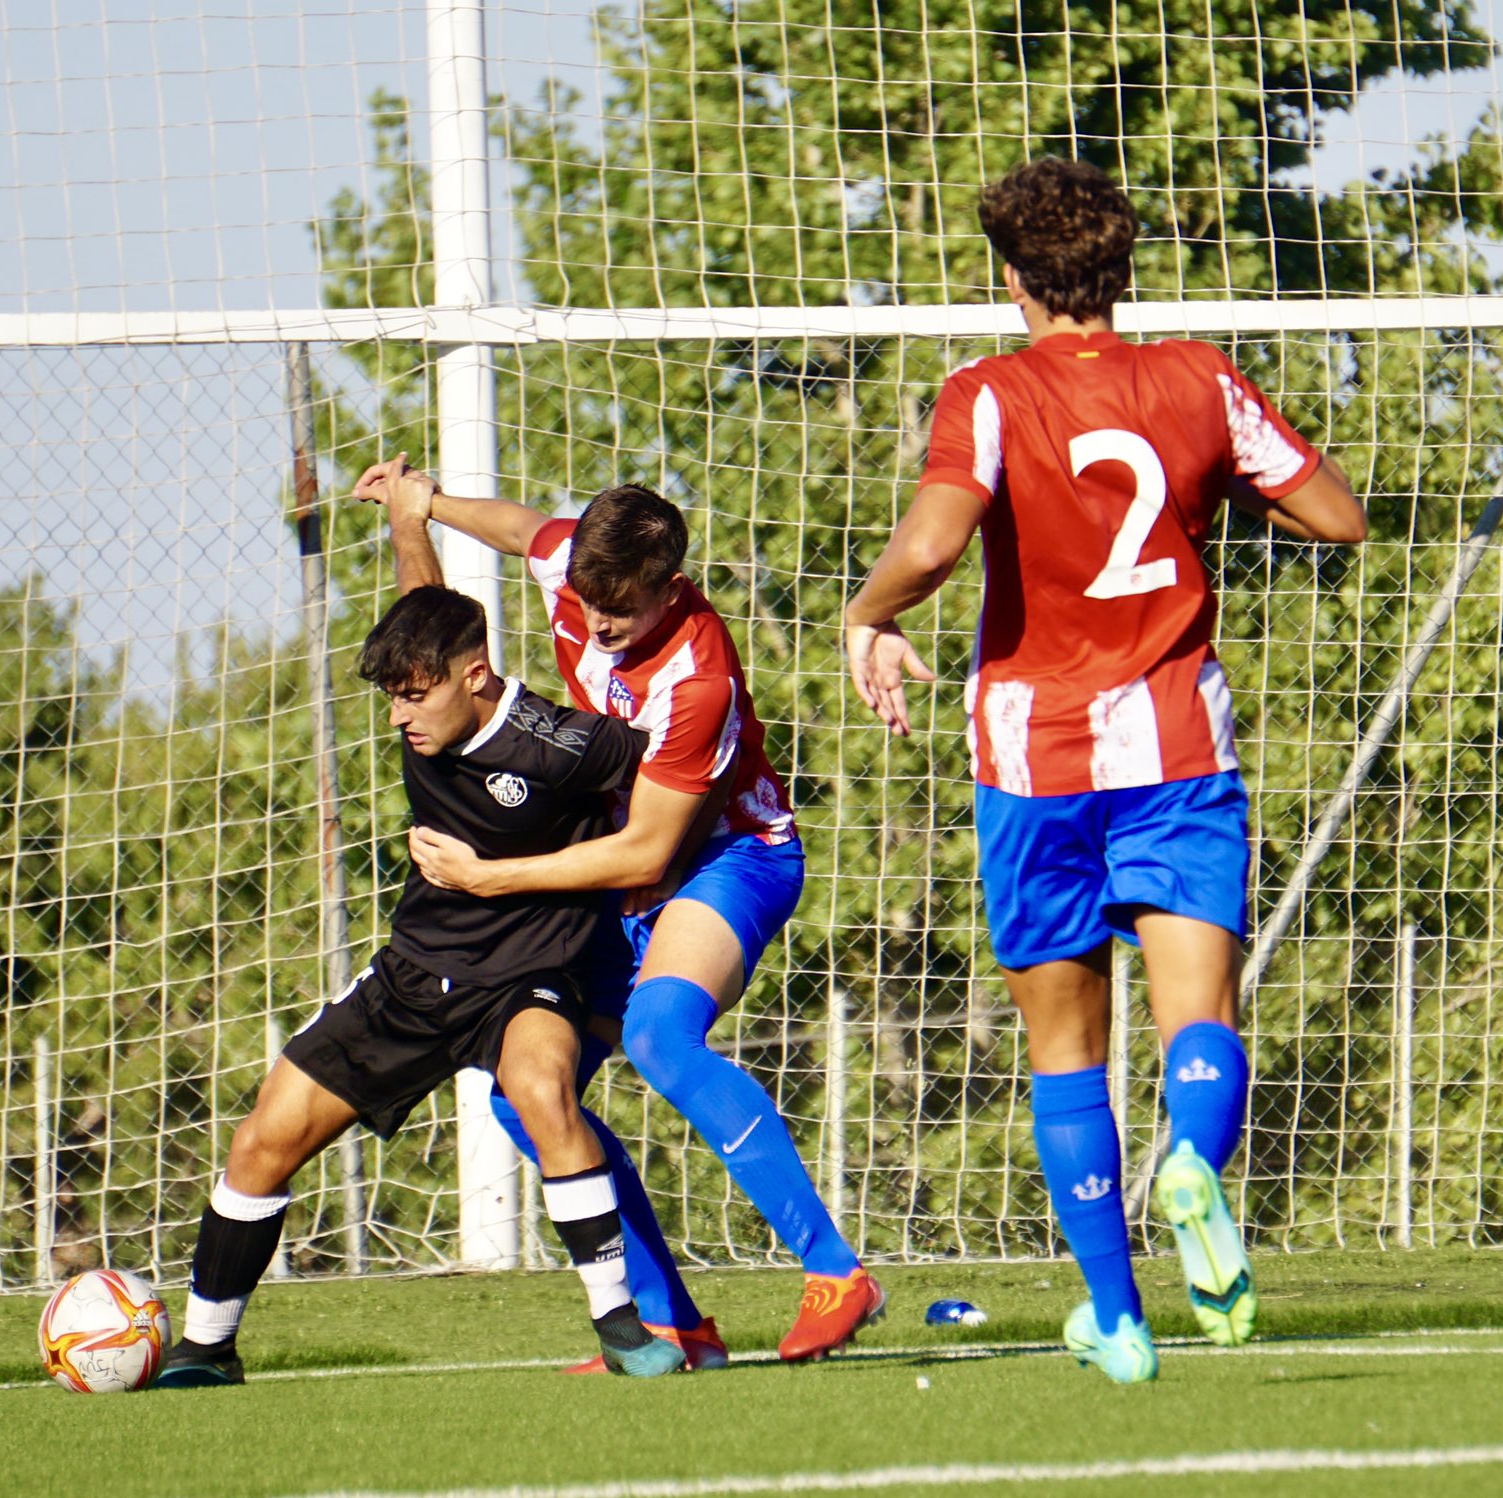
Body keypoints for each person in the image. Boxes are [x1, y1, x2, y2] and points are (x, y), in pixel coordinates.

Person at [842, 157, 1366, 1384]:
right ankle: (1190, 1156)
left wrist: (864, 614)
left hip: (1033, 764)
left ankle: (1116, 1320)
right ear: (1119, 273)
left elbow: (929, 543)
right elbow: (1336, 515)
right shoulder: (1196, 376)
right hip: (1176, 742)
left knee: (1066, 1049)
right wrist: (1215, 490)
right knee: (1201, 1014)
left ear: (1011, 278)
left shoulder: (986, 391)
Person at [354, 463, 884, 1364]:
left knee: (663, 1039)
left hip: (729, 858)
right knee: (531, 1099)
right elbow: (527, 531)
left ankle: (837, 1272)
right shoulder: (578, 567)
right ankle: (672, 1320)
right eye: (590, 603)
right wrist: (426, 507)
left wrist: (494, 879)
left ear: (670, 587)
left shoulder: (698, 678)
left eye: (622, 610)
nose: (599, 624)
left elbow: (648, 853)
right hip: (612, 867)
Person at [154, 526, 699, 1384]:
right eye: (393, 699)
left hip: (528, 979)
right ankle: (206, 1348)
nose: (401, 716)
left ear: (473, 678)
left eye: (414, 696)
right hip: (411, 978)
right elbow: (424, 609)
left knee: (540, 1090)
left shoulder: (570, 746)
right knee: (263, 1138)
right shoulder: (430, 713)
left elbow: (677, 791)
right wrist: (411, 523)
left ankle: (622, 1328)